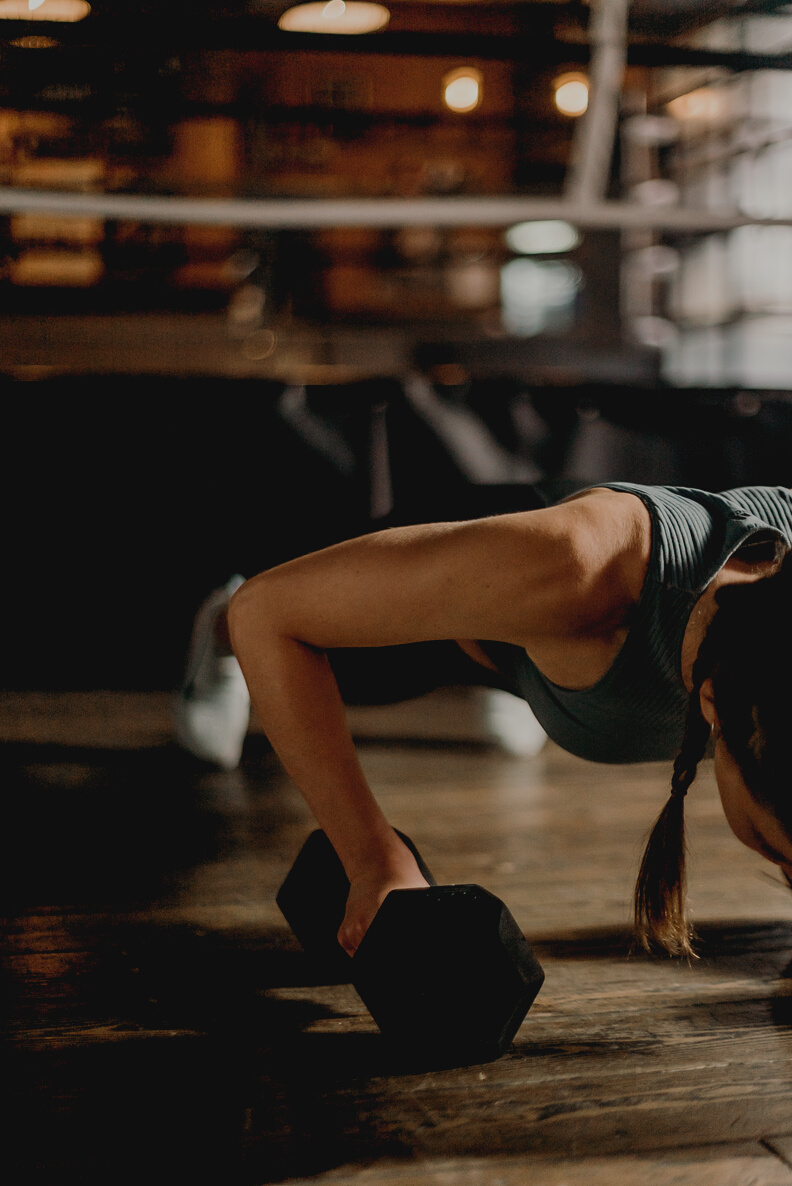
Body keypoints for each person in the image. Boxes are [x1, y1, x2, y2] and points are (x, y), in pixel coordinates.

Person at [210, 482, 792, 959]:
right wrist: (371, 859)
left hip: (542, 632)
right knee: (270, 621)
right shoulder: (585, 571)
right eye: (781, 855)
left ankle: (528, 682)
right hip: (476, 583)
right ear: (713, 705)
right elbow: (266, 614)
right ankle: (209, 628)